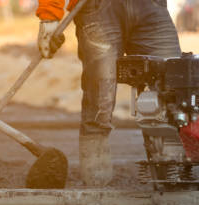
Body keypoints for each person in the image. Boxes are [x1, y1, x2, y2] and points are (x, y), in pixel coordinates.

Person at [36, 0, 181, 187]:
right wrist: (49, 13)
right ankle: (97, 189)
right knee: (99, 102)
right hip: (97, 7)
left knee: (171, 92)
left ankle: (171, 184)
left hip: (150, 7)